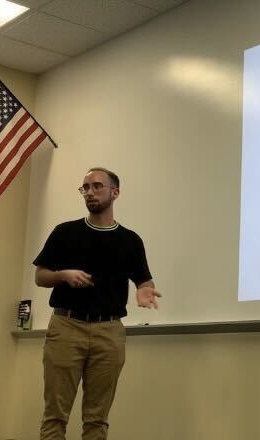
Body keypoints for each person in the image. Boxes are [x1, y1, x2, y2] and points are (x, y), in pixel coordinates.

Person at [33, 167, 161, 440]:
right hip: (66, 327)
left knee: (97, 419)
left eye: (97, 186)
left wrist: (144, 291)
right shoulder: (65, 232)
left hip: (109, 332)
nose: (89, 192)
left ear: (114, 193)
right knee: (55, 415)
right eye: (85, 187)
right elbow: (40, 277)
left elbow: (144, 282)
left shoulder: (130, 240)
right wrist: (63, 275)